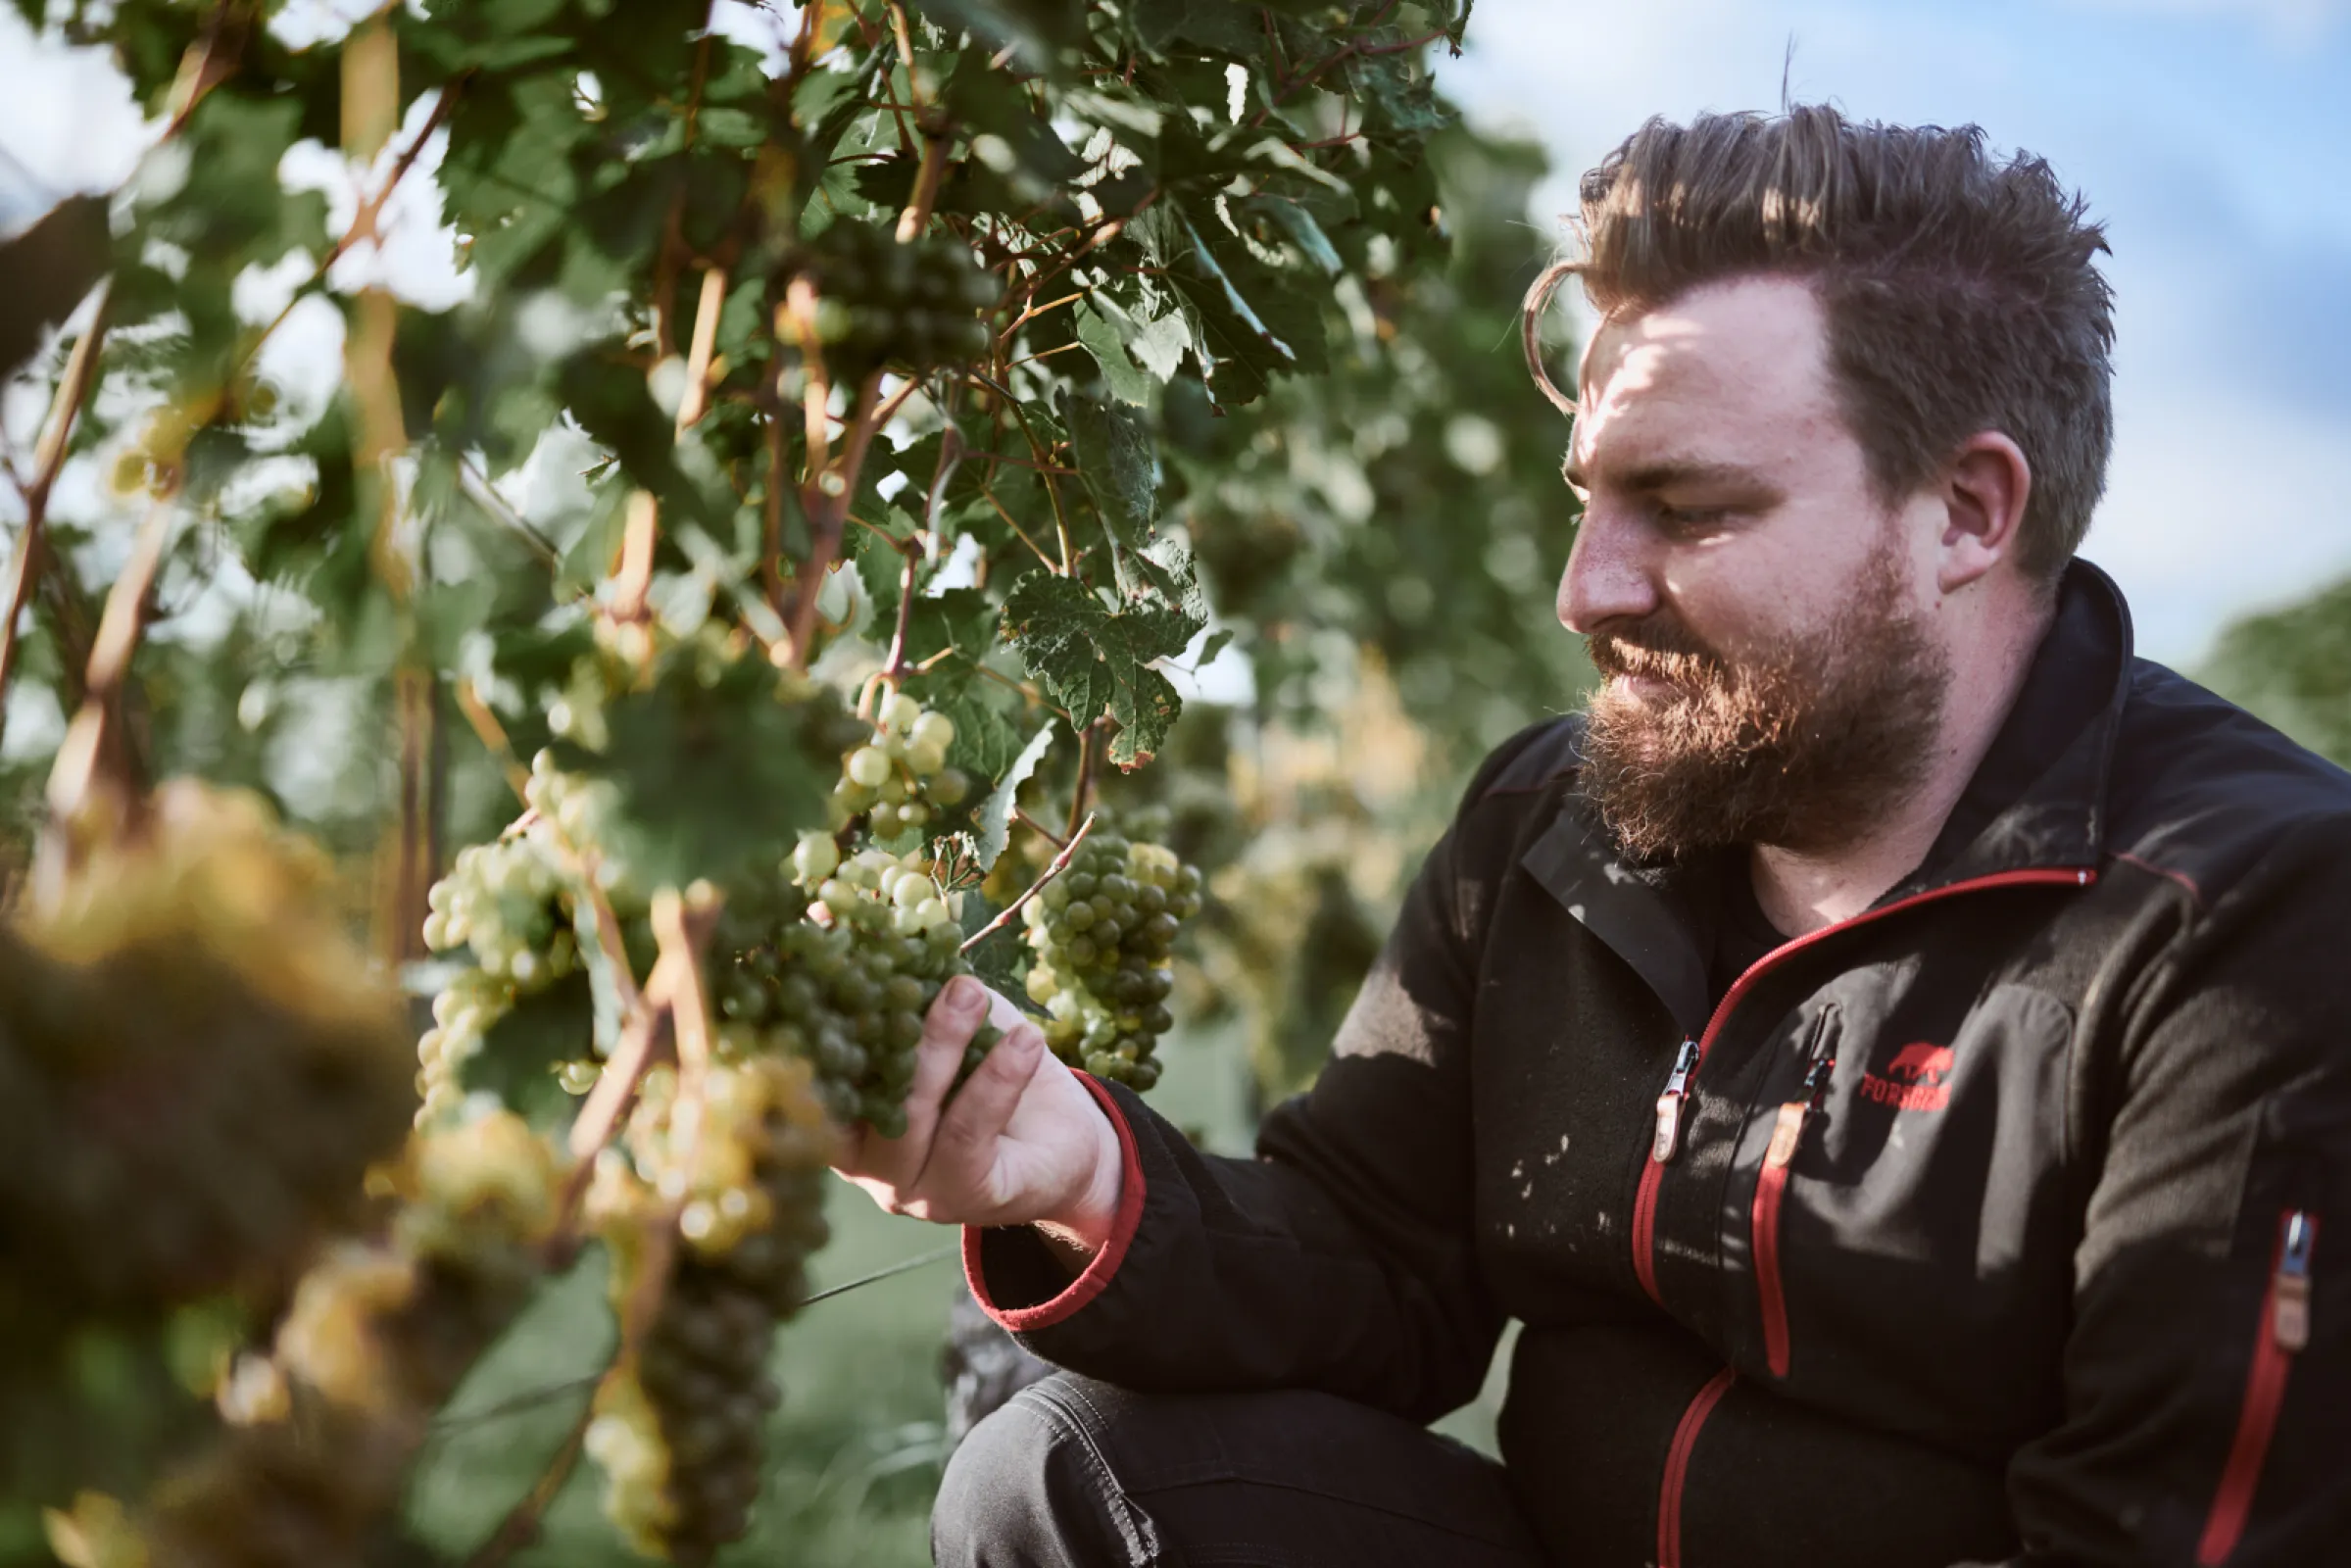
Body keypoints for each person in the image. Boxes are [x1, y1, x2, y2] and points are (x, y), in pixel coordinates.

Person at [833, 105, 2351, 1568]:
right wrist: (1081, 1172)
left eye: (1682, 508)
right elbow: (1378, 1259)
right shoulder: (1553, 823)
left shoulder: (2246, 913)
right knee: (1065, 1477)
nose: (1585, 590)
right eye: (1588, 499)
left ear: (1962, 511)